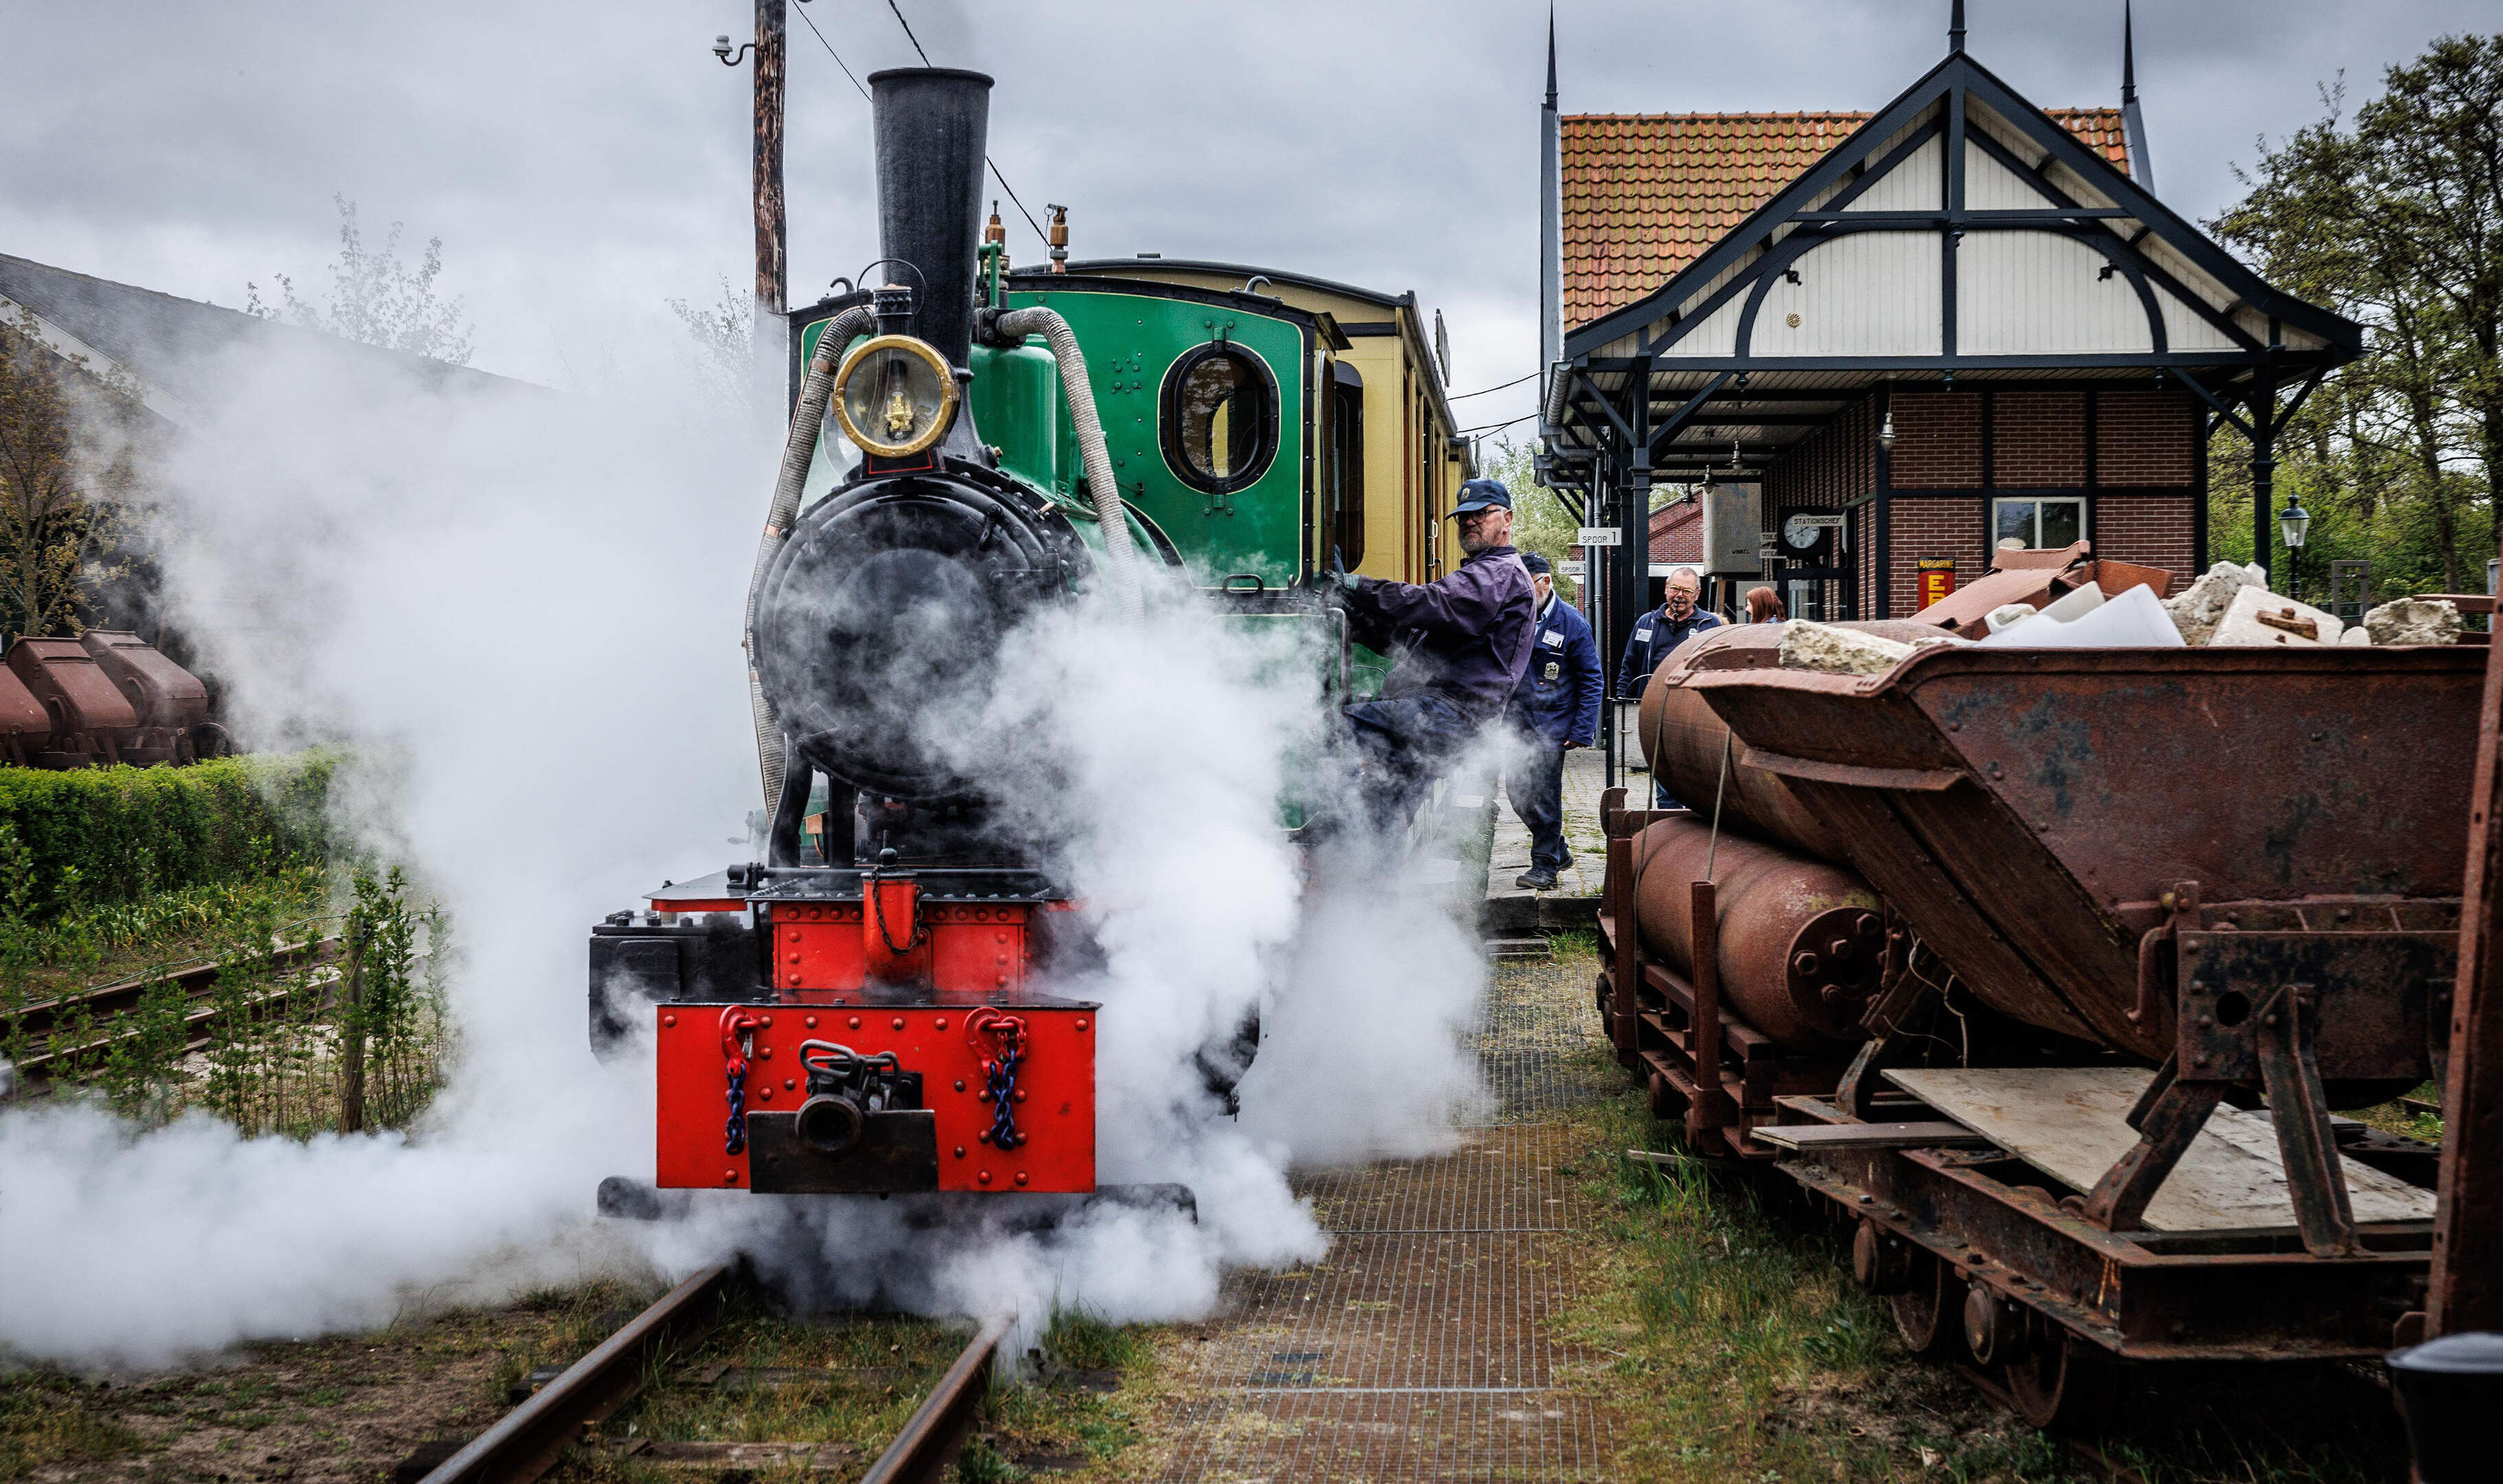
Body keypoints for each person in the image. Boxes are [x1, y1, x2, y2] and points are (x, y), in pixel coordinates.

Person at [1325, 478, 1538, 840]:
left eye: (1480, 514)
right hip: (1441, 714)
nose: (1469, 522)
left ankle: (1326, 820)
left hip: (1451, 714)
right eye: (1463, 517)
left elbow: (1430, 602)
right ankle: (1367, 884)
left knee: (1334, 727)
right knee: (1386, 810)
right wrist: (1352, 617)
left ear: (1507, 519)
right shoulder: (1481, 575)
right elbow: (1409, 642)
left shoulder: (1498, 575)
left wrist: (1359, 587)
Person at [1505, 552, 1602, 891]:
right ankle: (1558, 850)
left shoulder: (1572, 622)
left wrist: (1582, 730)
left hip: (1553, 725)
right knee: (1517, 794)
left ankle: (1544, 867)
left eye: (1526, 586)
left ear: (1545, 582)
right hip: (1516, 724)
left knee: (1545, 796)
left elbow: (1592, 679)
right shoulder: (1515, 616)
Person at [1613, 565, 1722, 808]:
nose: (1679, 595)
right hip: (1655, 708)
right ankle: (1669, 820)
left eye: (1686, 590)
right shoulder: (1647, 623)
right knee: (1663, 770)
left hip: (1693, 712)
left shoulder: (1709, 624)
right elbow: (1629, 664)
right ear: (1665, 589)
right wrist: (1623, 701)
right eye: (1674, 589)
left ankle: (1694, 818)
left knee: (1693, 769)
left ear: (1697, 594)